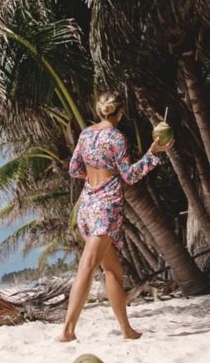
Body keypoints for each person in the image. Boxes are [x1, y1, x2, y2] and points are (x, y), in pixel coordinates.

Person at [57, 91, 174, 342]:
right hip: (106, 206)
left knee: (113, 271)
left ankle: (126, 329)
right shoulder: (117, 138)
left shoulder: (85, 134)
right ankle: (67, 330)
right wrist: (154, 152)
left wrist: (94, 175)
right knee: (87, 267)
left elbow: (74, 169)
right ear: (120, 113)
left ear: (100, 111)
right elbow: (129, 176)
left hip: (87, 205)